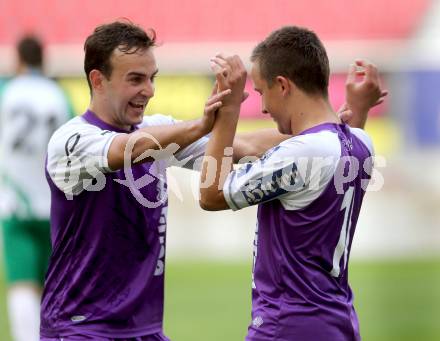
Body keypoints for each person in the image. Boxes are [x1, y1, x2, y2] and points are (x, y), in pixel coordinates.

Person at [41, 20, 384, 340]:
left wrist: (329, 132)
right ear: (98, 80)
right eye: (135, 79)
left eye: (152, 78)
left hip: (144, 328)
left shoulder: (156, 129)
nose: (148, 90)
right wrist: (203, 125)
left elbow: (244, 145)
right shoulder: (71, 142)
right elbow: (124, 150)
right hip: (80, 326)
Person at [199, 26, 384, 341]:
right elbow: (334, 136)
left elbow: (211, 194)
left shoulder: (301, 153)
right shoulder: (361, 142)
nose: (262, 108)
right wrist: (358, 109)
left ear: (282, 85)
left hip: (288, 324)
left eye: (260, 92)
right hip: (337, 321)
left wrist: (229, 110)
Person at [0, 36, 72, 341]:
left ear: (18, 59)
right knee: (54, 285)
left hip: (15, 201)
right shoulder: (58, 94)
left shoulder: (6, 92)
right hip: (54, 202)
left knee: (21, 283)